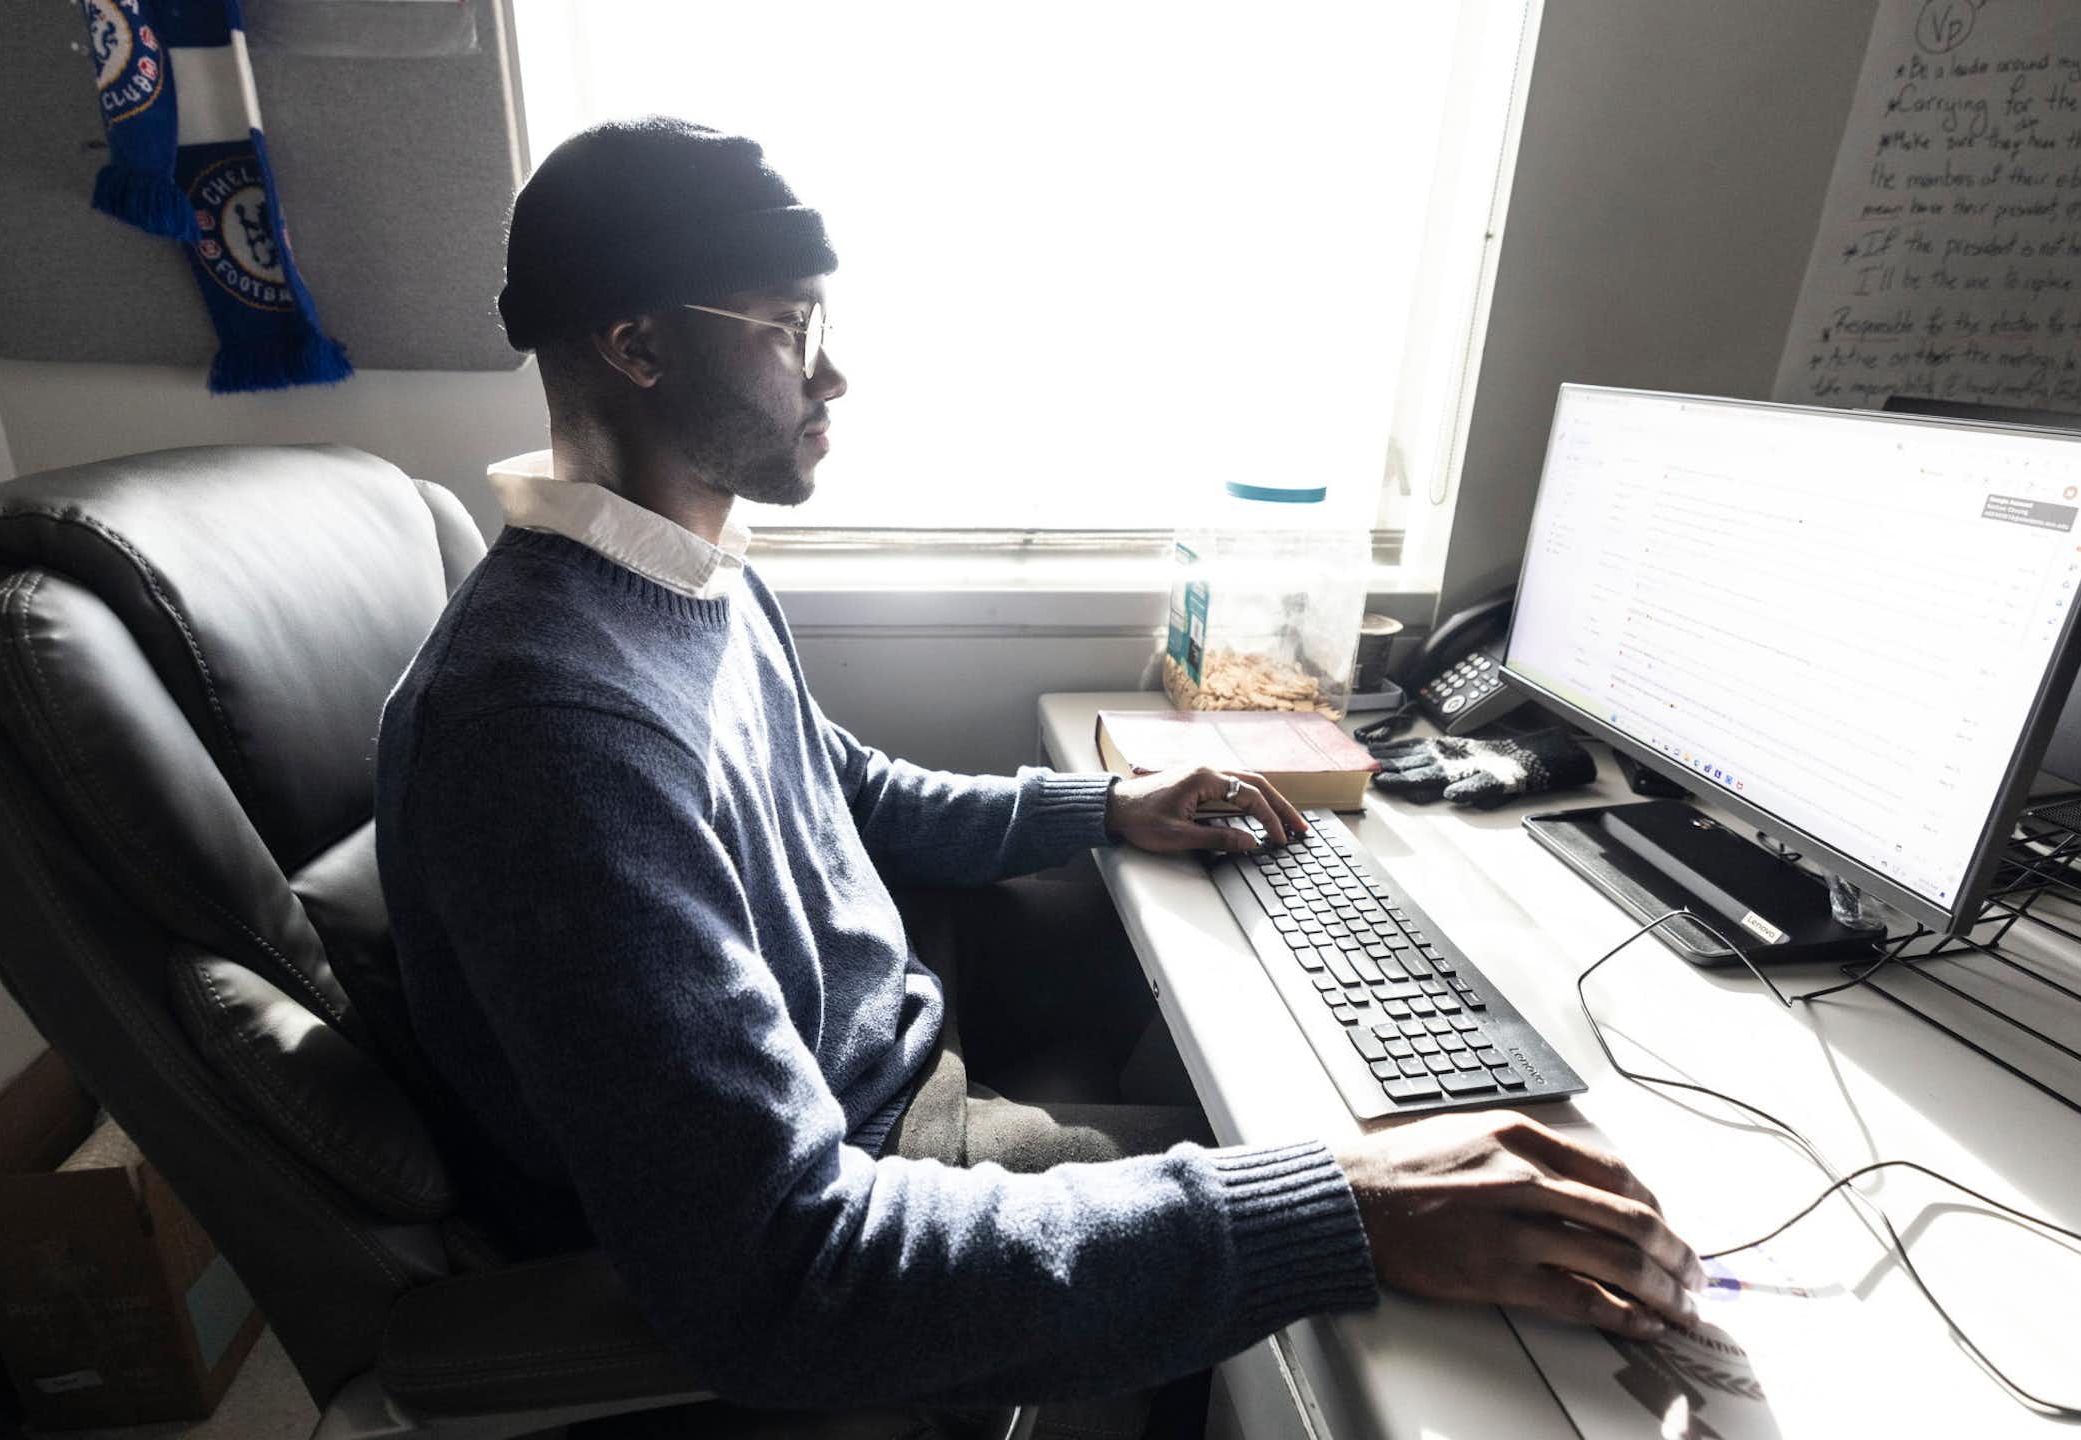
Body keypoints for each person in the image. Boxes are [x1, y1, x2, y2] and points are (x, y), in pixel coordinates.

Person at [374, 117, 1703, 1427]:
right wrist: (1336, 1208)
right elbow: (777, 1273)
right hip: (867, 1186)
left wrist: (1103, 808)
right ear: (636, 342)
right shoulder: (543, 727)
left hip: (902, 1083)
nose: (832, 381)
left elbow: (839, 792)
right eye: (789, 331)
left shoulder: (680, 581)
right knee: (1410, 1283)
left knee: (1342, 1107)